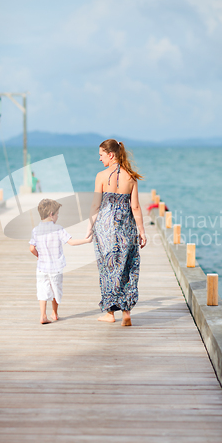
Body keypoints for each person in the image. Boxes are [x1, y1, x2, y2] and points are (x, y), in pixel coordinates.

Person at [86, 139, 147, 326]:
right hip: (126, 228)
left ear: (110, 155)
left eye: (101, 155)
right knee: (127, 267)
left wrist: (90, 226)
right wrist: (142, 232)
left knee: (108, 269)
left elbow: (96, 204)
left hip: (106, 230)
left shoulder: (101, 176)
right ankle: (126, 313)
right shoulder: (131, 177)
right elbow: (135, 207)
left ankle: (110, 314)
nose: (100, 159)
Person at [30, 198, 92, 324]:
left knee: (42, 290)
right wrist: (87, 240)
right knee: (55, 290)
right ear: (51, 214)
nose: (58, 216)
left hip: (41, 268)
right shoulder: (58, 229)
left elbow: (31, 248)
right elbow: (71, 242)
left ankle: (43, 315)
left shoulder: (36, 230)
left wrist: (38, 255)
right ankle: (55, 313)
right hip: (56, 268)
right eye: (57, 214)